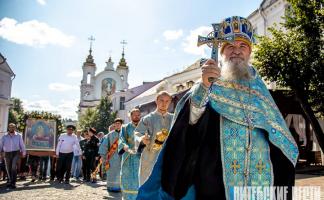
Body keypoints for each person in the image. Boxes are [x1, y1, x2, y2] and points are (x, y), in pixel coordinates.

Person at [137, 16, 299, 200]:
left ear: (249, 52)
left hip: (259, 175)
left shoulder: (259, 86)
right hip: (217, 175)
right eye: (230, 46)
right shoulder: (210, 79)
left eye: (242, 46)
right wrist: (204, 86)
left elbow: (277, 130)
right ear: (222, 52)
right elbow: (191, 121)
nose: (236, 51)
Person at [134, 91, 173, 186]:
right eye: (161, 100)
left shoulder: (174, 118)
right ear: (156, 101)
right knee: (148, 184)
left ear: (170, 102)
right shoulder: (147, 118)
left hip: (168, 157)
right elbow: (137, 133)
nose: (164, 103)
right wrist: (142, 139)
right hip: (150, 157)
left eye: (167, 101)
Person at [118, 108, 142, 199]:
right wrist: (125, 146)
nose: (136, 117)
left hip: (141, 156)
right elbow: (121, 139)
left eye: (138, 115)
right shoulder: (125, 127)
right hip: (128, 156)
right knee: (128, 178)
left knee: (140, 178)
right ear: (131, 116)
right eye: (134, 115)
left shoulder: (144, 126)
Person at [99, 118, 123, 192]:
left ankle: (120, 187)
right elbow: (104, 145)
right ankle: (110, 187)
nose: (117, 125)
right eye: (116, 123)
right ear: (114, 124)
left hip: (123, 156)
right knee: (111, 172)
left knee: (121, 172)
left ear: (121, 125)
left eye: (119, 123)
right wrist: (104, 155)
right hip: (112, 157)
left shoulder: (125, 133)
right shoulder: (109, 135)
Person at [0, 123, 26, 189]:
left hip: (16, 153)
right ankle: (10, 181)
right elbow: (1, 145)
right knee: (8, 168)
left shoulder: (18, 136)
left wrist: (24, 152)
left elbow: (22, 145)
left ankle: (13, 182)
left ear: (15, 128)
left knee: (13, 167)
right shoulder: (4, 136)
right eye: (10, 127)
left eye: (13, 127)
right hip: (7, 153)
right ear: (8, 128)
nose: (12, 128)